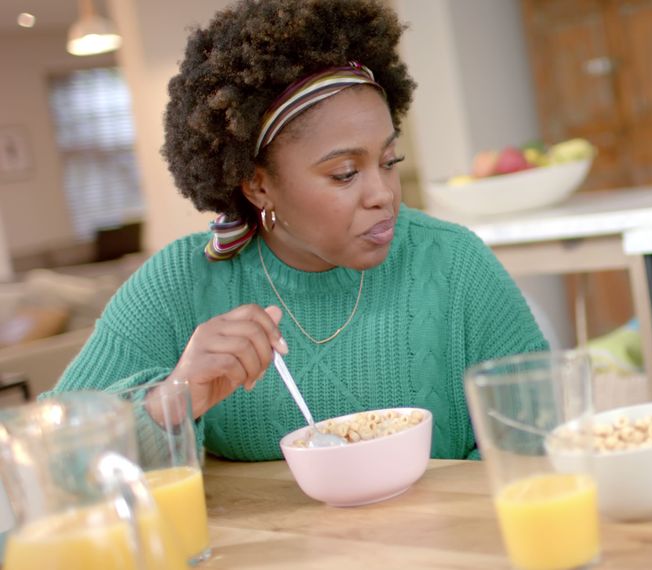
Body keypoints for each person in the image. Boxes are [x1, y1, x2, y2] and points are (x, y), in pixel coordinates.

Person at [45, 0, 547, 461]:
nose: (383, 193)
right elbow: (48, 455)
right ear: (257, 186)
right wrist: (174, 400)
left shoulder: (453, 264)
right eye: (344, 174)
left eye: (389, 160)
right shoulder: (181, 284)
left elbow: (546, 439)